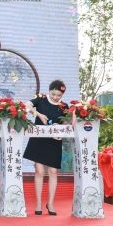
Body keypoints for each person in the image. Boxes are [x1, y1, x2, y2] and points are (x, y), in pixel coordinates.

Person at [22, 80, 67, 216]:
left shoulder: (64, 106)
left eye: (59, 95)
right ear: (49, 91)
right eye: (53, 94)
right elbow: (26, 105)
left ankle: (50, 203)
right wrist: (38, 114)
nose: (55, 97)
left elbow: (67, 122)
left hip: (54, 141)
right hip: (39, 140)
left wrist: (61, 129)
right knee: (39, 171)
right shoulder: (40, 99)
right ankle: (38, 203)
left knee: (53, 172)